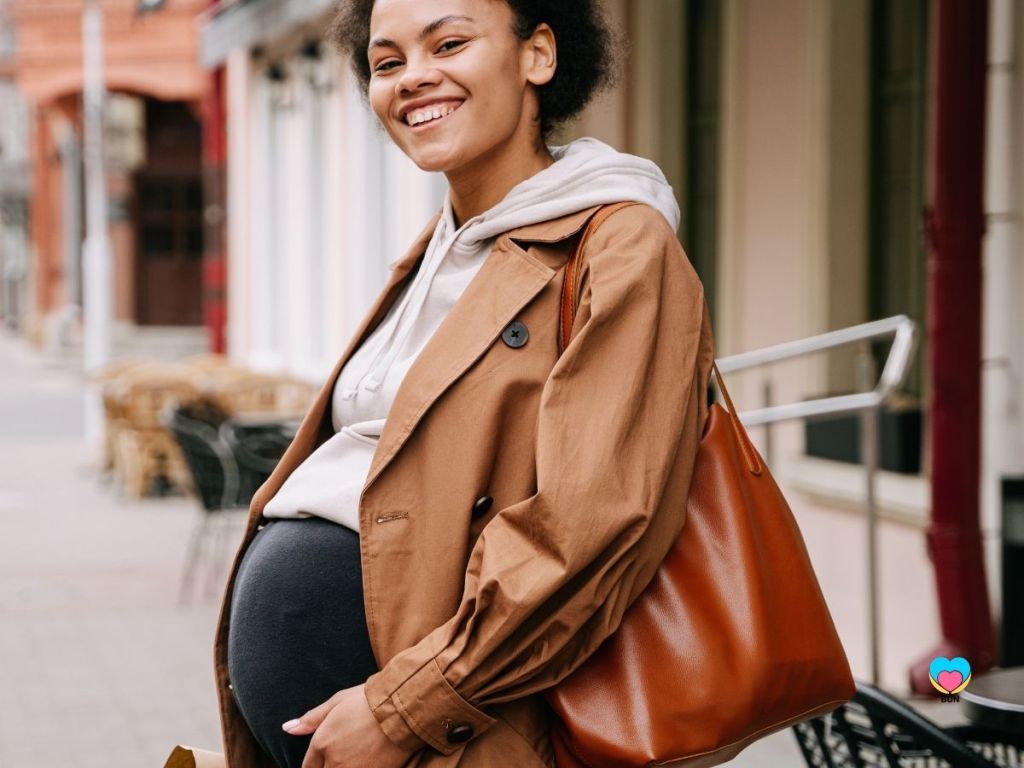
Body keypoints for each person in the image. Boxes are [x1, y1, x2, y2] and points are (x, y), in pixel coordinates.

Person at [213, 0, 716, 766]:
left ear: (537, 55)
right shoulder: (438, 251)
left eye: (448, 43)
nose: (414, 77)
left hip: (445, 726)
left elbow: (593, 524)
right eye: (386, 63)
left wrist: (404, 710)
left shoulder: (618, 244)